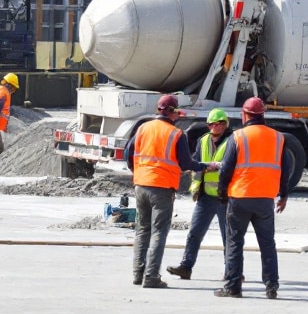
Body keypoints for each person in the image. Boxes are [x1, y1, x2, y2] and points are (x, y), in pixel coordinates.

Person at [123, 94, 206, 288]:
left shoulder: (143, 127)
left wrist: (139, 172)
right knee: (159, 232)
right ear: (173, 112)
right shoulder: (176, 134)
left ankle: (138, 274)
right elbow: (186, 163)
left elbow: (128, 153)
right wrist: (204, 166)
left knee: (142, 230)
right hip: (161, 187)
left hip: (141, 185)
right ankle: (151, 277)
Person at [215, 97, 290, 299]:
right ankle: (271, 286)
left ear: (245, 115)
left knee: (235, 242)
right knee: (267, 243)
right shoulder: (278, 138)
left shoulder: (238, 137)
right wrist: (284, 194)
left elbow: (226, 169)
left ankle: (233, 287)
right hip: (265, 198)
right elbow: (285, 168)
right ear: (262, 114)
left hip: (240, 197)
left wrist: (222, 193)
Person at [167, 108, 231, 280]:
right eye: (211, 124)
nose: (214, 127)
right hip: (205, 196)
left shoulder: (232, 142)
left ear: (225, 124)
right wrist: (195, 187)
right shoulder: (203, 141)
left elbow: (235, 166)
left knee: (229, 237)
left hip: (226, 197)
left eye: (218, 124)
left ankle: (232, 271)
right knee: (194, 233)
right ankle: (186, 267)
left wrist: (218, 166)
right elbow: (195, 166)